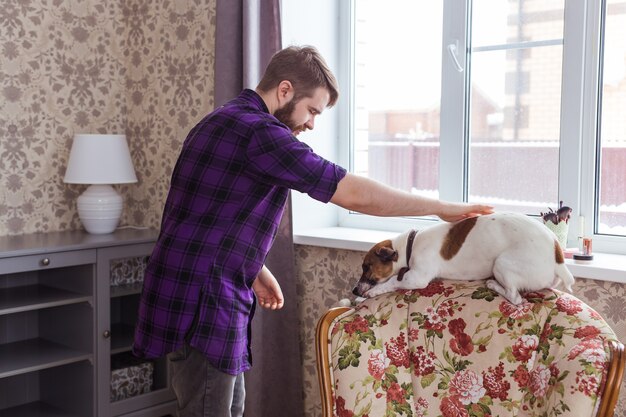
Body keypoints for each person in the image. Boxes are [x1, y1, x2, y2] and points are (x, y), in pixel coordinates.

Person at [132, 45, 493, 417]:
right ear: (284, 90)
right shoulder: (262, 134)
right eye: (312, 111)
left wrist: (255, 267)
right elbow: (353, 193)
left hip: (190, 283)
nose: (310, 124)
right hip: (206, 296)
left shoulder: (221, 119)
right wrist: (441, 208)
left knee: (225, 407)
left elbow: (206, 211)